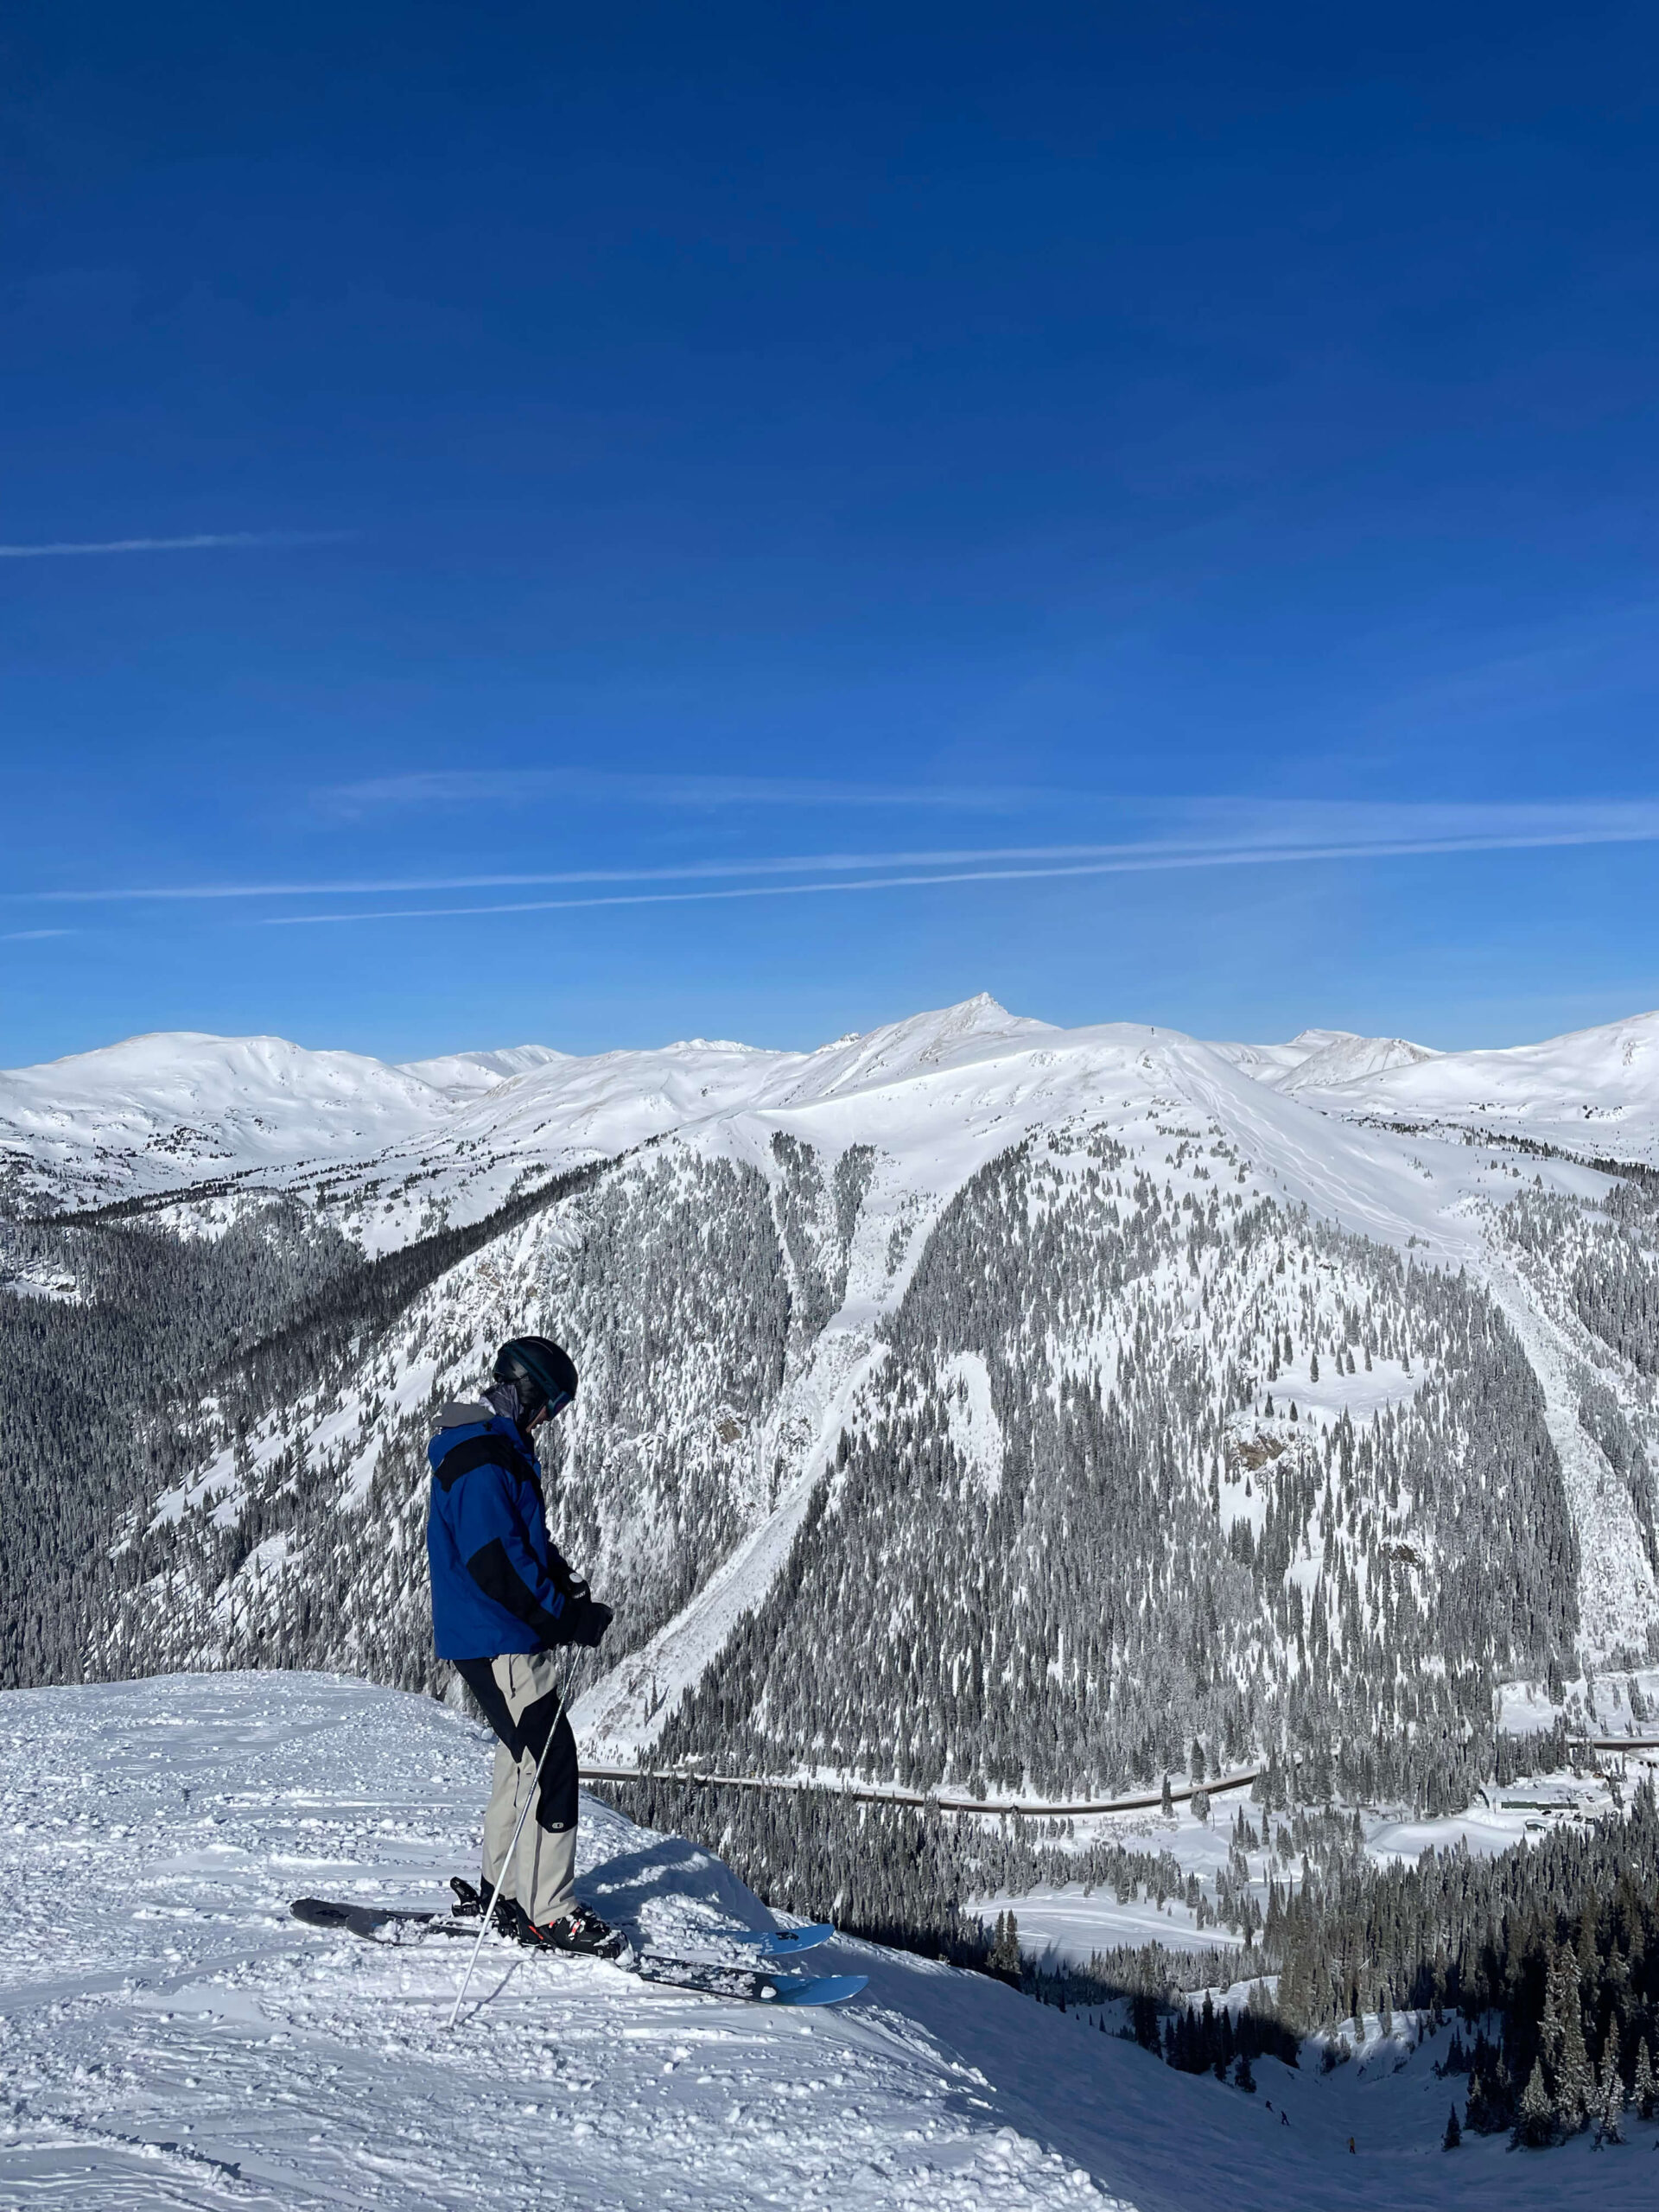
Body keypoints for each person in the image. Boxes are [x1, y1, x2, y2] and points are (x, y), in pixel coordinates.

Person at [426, 1334, 623, 1956]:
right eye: (552, 1406)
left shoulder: (495, 1450)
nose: (552, 1419)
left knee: (524, 1759)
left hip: (492, 1634)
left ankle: (502, 1891)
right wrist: (566, 1618)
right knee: (553, 1761)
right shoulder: (485, 1458)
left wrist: (561, 1578)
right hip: (498, 1637)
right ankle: (549, 1910)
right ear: (529, 1395)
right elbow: (497, 1567)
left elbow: (517, 1544)